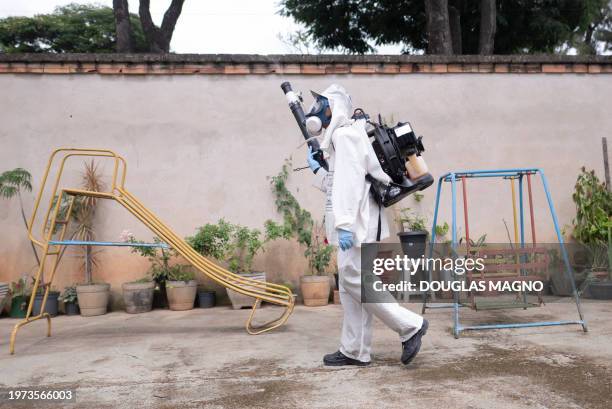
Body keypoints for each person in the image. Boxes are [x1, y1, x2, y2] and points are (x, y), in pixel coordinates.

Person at [305, 84, 428, 367]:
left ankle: (410, 327)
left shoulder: (346, 136)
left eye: (321, 104)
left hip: (357, 224)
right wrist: (318, 171)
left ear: (333, 107)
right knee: (351, 290)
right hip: (358, 221)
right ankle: (354, 350)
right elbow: (341, 183)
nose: (317, 111)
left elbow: (349, 185)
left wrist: (345, 224)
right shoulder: (344, 136)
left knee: (355, 280)